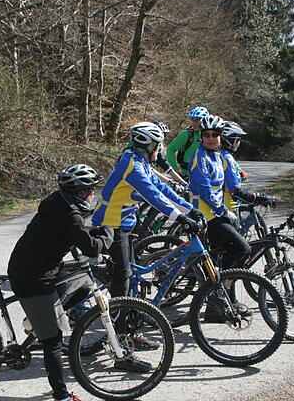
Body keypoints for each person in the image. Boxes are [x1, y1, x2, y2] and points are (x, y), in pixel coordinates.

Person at [92, 122, 202, 362]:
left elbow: (162, 188)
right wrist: (179, 217)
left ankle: (129, 331)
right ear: (150, 144)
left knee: (133, 280)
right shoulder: (130, 164)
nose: (161, 150)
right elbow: (153, 196)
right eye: (159, 145)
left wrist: (190, 210)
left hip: (125, 226)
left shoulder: (141, 162)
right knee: (124, 278)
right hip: (110, 226)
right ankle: (118, 337)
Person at [7, 164, 113, 401]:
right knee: (53, 341)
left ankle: (36, 319)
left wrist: (95, 231)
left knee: (83, 287)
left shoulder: (61, 203)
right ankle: (61, 396)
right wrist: (108, 232)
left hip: (41, 267)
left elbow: (76, 233)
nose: (94, 194)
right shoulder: (69, 213)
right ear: (82, 192)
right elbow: (90, 246)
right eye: (92, 190)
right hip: (33, 277)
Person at [188, 115, 252, 321]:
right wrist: (223, 210)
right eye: (206, 134)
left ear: (220, 136)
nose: (210, 137)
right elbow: (204, 189)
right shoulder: (200, 157)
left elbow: (228, 186)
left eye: (215, 134)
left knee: (224, 258)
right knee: (242, 249)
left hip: (216, 213)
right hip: (206, 217)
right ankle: (220, 294)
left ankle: (219, 306)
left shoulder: (217, 156)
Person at [219, 121, 274, 214]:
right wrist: (259, 197)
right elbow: (236, 192)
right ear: (232, 140)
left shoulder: (218, 154)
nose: (239, 142)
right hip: (226, 208)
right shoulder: (227, 158)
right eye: (238, 139)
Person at [166, 106, 209, 177]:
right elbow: (171, 150)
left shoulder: (212, 136)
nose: (195, 123)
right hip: (188, 174)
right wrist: (174, 168)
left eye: (198, 120)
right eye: (193, 120)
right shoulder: (186, 134)